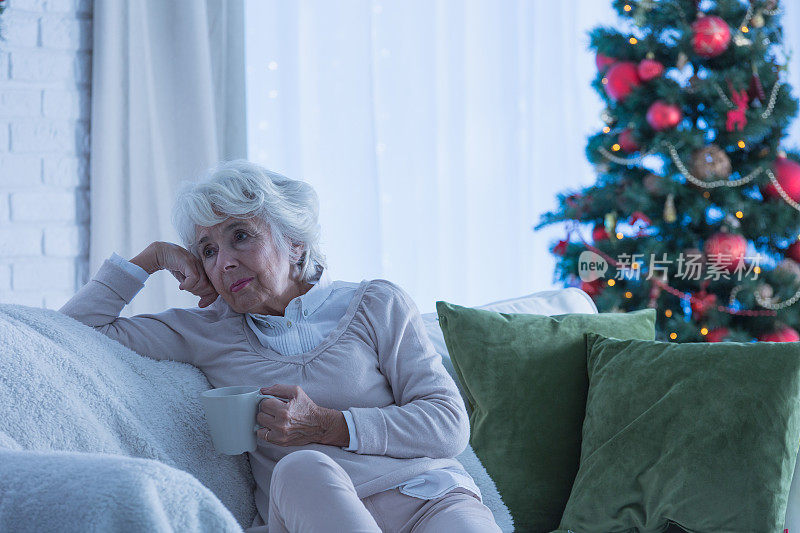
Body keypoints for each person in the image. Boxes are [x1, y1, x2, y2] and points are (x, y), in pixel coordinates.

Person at [60, 160, 502, 533]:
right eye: (207, 250)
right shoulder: (207, 330)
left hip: (430, 499)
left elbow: (447, 425)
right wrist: (152, 258)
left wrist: (329, 424)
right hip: (315, 512)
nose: (224, 261)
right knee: (300, 467)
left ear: (294, 242)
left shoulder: (376, 303)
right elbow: (75, 331)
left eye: (240, 235)